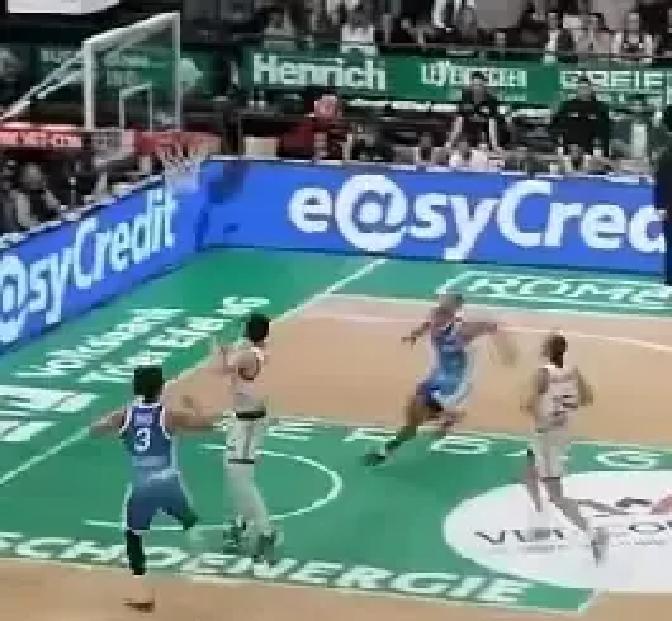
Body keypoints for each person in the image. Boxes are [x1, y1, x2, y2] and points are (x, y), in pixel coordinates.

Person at [90, 366, 218, 611]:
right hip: (169, 482)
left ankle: (144, 595)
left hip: (142, 487)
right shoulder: (168, 416)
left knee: (133, 536)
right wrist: (194, 405)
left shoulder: (125, 414)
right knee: (188, 519)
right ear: (160, 388)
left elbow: (95, 430)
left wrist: (118, 425)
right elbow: (207, 425)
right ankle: (204, 560)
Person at [364, 294, 515, 465]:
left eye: (441, 312)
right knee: (413, 411)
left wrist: (504, 348)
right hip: (436, 376)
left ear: (451, 315)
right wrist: (414, 334)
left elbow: (491, 325)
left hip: (456, 385)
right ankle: (447, 416)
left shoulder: (463, 330)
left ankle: (388, 449)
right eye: (436, 311)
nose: (434, 318)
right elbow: (426, 325)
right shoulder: (434, 321)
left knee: (417, 417)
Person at [521, 333, 608, 563]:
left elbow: (527, 404)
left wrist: (546, 418)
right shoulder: (573, 370)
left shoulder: (543, 373)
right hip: (563, 430)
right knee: (528, 469)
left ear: (547, 350)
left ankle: (593, 533)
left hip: (547, 436)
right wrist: (565, 407)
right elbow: (588, 398)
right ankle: (539, 513)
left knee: (556, 496)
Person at [211, 312, 278, 565]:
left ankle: (266, 533)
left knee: (242, 480)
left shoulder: (248, 355)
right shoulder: (254, 350)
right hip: (244, 419)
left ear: (249, 331)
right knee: (236, 475)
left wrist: (218, 349)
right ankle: (240, 522)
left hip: (249, 424)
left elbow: (220, 369)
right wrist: (230, 348)